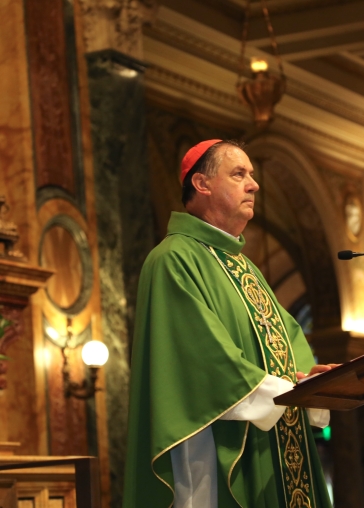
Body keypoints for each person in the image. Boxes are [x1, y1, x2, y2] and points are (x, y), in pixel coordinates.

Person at [123, 139, 334, 508]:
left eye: (251, 175)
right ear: (202, 184)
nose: (254, 184)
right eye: (239, 174)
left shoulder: (245, 267)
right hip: (212, 444)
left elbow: (285, 336)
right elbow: (204, 361)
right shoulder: (173, 259)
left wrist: (308, 378)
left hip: (270, 437)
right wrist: (283, 393)